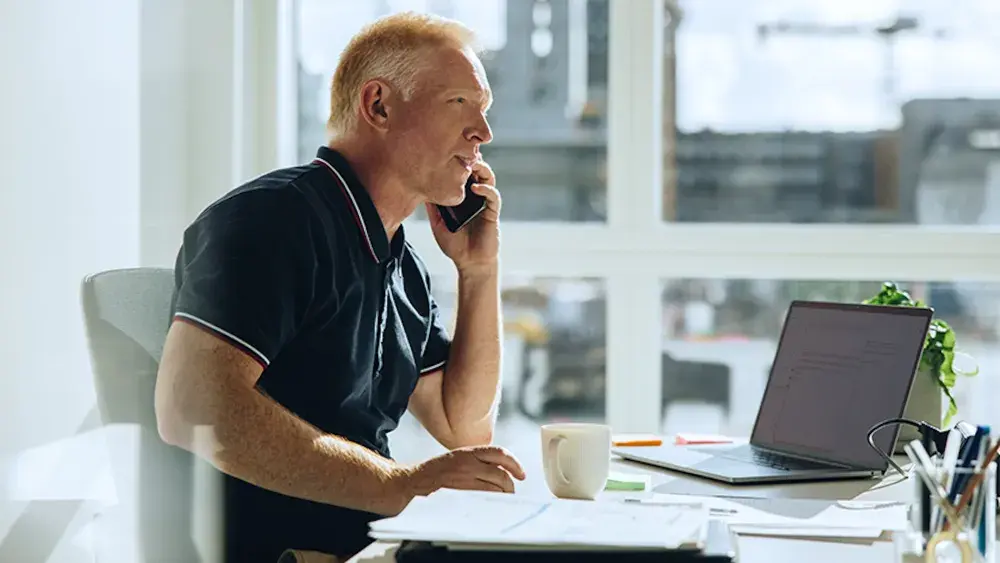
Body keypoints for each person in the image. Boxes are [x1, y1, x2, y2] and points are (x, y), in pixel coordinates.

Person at [153, 11, 526, 563]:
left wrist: (478, 272)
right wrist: (402, 485)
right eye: (460, 104)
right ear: (378, 105)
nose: (483, 133)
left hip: (366, 548)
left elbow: (463, 426)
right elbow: (192, 406)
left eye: (485, 111)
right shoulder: (273, 219)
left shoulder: (402, 263)